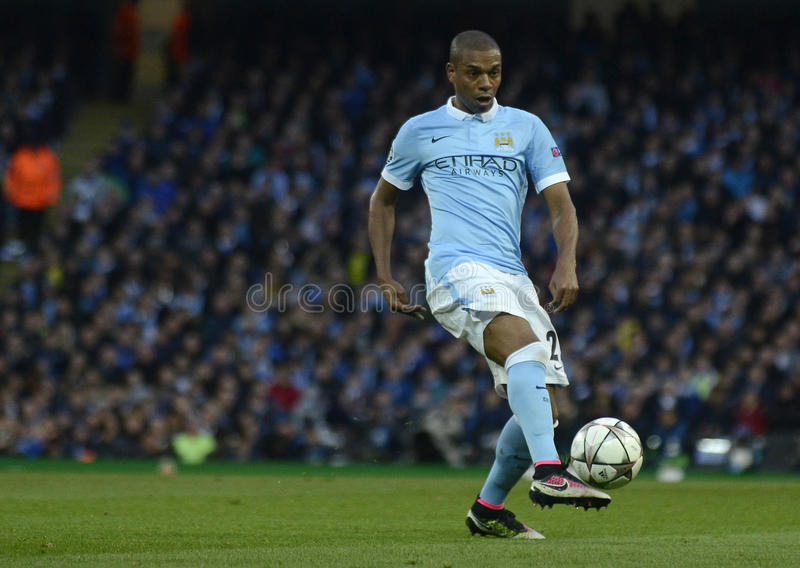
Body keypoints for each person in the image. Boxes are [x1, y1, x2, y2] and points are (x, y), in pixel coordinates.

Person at [368, 30, 609, 540]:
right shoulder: (419, 130)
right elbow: (383, 201)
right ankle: (549, 472)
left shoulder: (527, 127)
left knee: (544, 404)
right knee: (524, 350)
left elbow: (562, 206)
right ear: (451, 73)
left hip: (512, 276)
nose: (485, 82)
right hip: (454, 270)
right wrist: (385, 276)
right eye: (474, 73)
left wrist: (566, 263)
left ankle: (488, 508)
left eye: (494, 72)